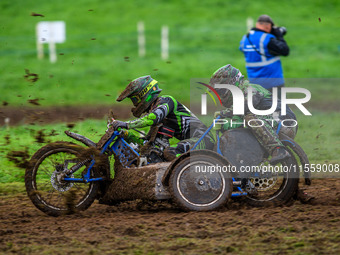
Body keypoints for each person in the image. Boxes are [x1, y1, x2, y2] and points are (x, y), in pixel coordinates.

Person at [210, 64, 313, 202]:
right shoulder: (238, 98)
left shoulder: (248, 88)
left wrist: (225, 114)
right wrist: (225, 124)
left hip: (283, 121)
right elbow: (236, 125)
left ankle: (278, 149)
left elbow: (249, 104)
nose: (221, 95)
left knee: (250, 119)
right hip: (268, 123)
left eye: (222, 90)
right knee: (238, 136)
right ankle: (292, 191)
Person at [110, 75, 214, 161]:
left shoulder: (166, 101)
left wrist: (127, 125)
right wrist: (126, 134)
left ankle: (181, 178)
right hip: (194, 141)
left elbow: (153, 118)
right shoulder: (159, 115)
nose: (135, 104)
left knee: (170, 152)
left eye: (135, 99)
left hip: (203, 139)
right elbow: (146, 143)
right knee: (154, 155)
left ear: (144, 94)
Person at [239, 14, 289, 99]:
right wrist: (279, 36)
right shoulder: (267, 39)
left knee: (259, 111)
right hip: (273, 84)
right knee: (279, 110)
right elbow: (285, 50)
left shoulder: (245, 39)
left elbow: (242, 49)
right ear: (268, 26)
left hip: (254, 85)